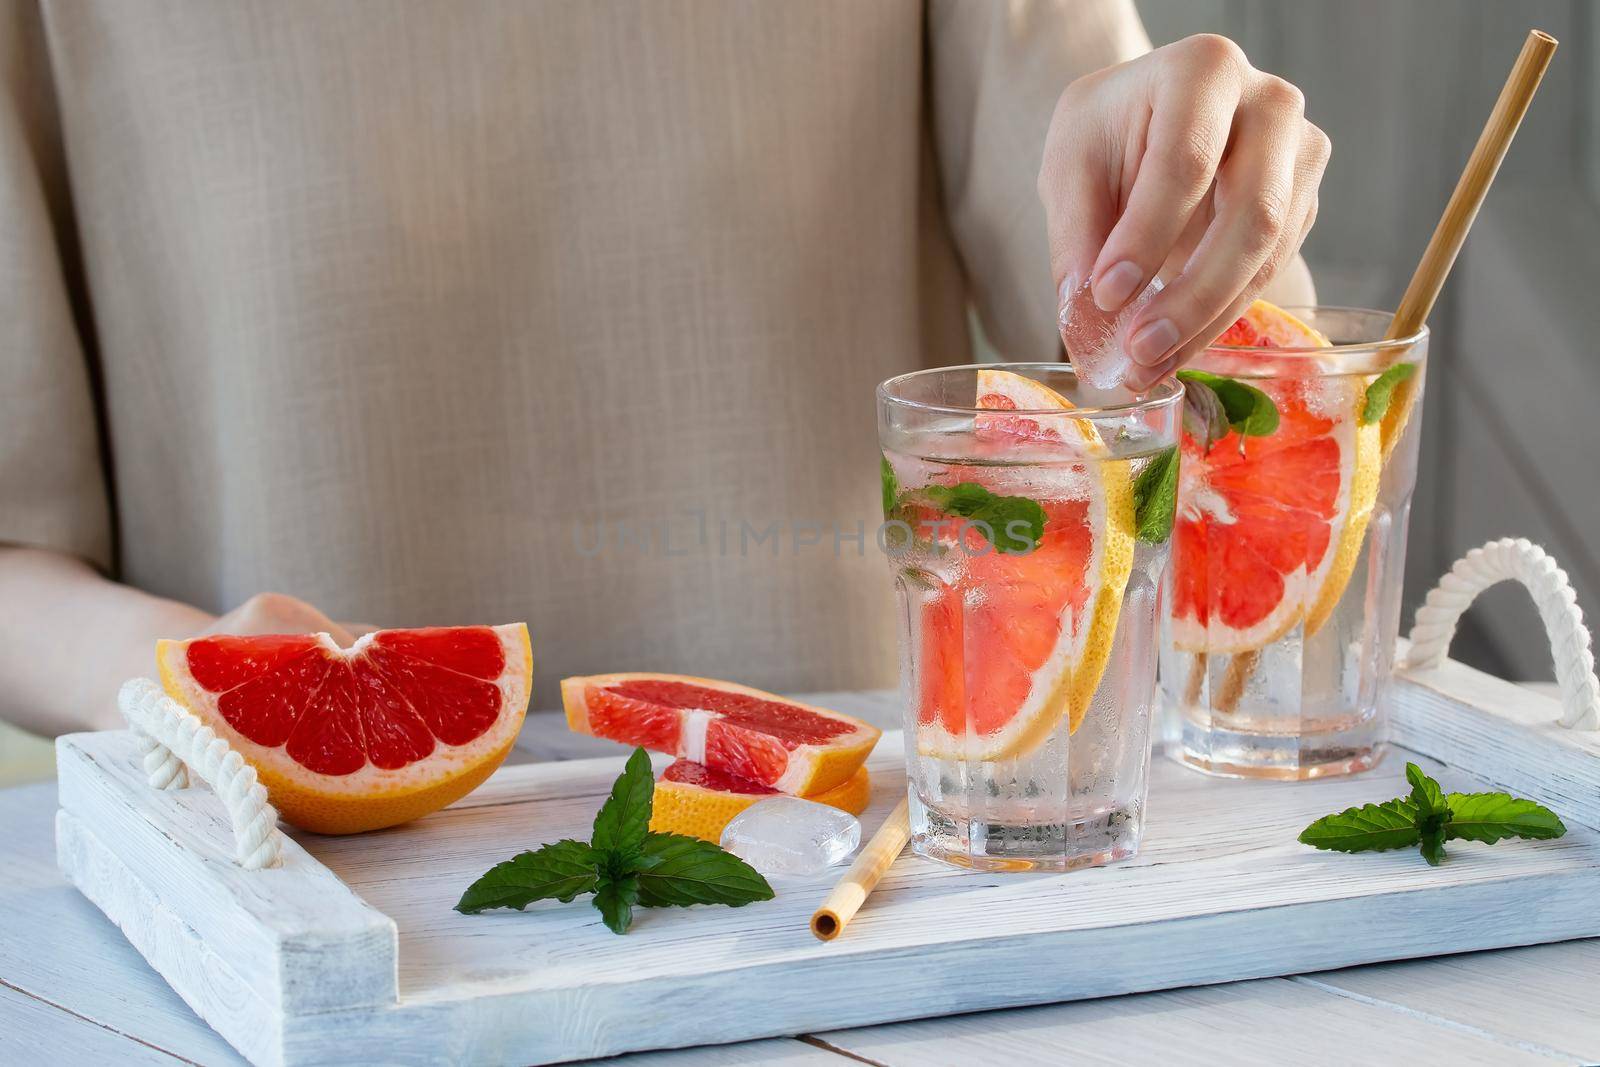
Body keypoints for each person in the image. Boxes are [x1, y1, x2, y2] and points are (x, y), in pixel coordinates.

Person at [0, 1, 1326, 735]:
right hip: (288, 924)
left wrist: (1193, 179)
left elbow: (1167, 360)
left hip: (871, 895)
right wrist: (190, 672)